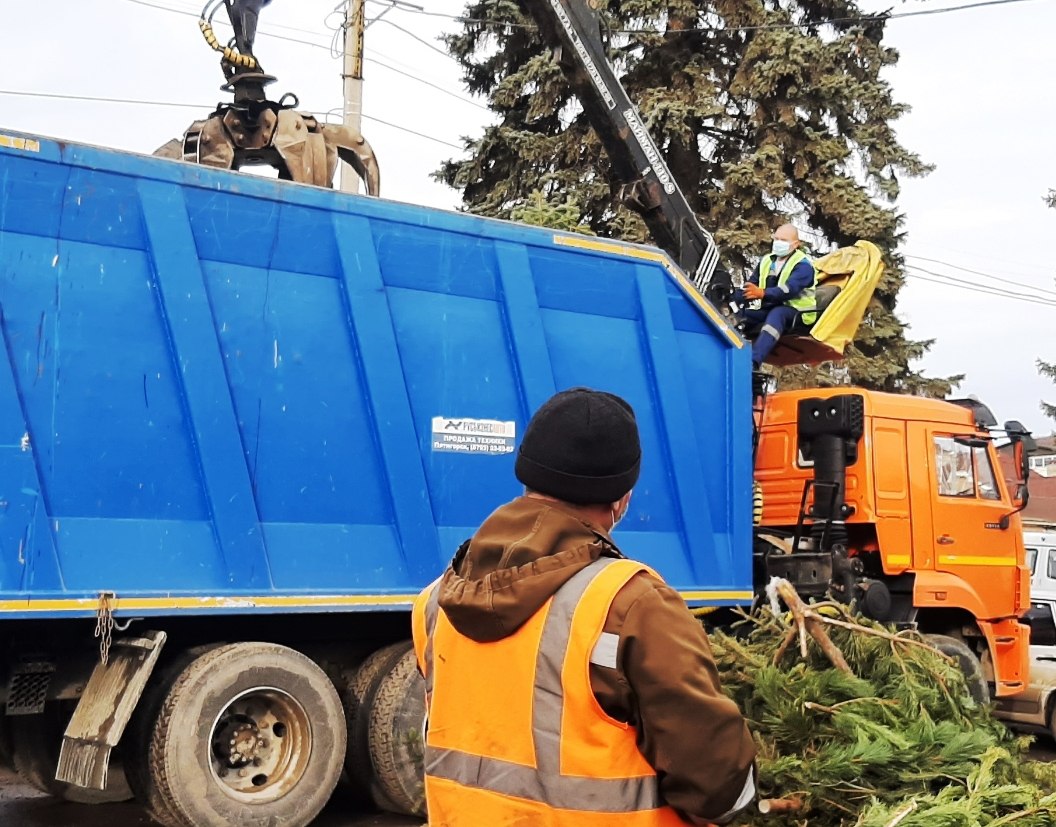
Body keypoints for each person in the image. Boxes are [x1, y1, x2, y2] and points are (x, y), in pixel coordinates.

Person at [412, 388, 757, 826]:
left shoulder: (435, 601)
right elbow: (714, 779)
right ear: (621, 498)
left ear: (527, 477)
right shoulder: (630, 603)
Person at [738, 223, 818, 367]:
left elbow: (789, 290)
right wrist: (735, 297)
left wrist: (762, 293)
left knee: (777, 314)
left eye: (784, 240)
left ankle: (753, 361)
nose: (779, 243)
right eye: (777, 239)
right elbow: (752, 285)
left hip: (799, 314)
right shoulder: (767, 261)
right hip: (771, 307)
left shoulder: (804, 266)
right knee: (743, 315)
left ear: (796, 244)